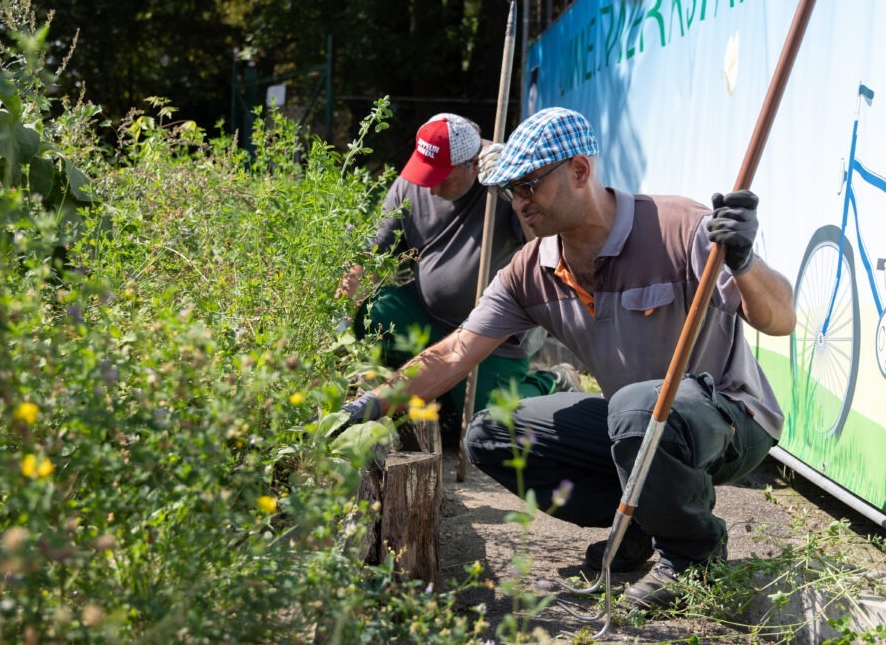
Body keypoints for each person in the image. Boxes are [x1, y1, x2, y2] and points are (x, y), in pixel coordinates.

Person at [336, 107, 796, 610]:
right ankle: (646, 519)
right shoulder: (531, 269)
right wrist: (371, 405)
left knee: (637, 408)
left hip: (729, 419)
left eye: (529, 186)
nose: (519, 204)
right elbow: (456, 351)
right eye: (511, 190)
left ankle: (692, 556)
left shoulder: (679, 227)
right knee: (492, 433)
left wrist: (745, 262)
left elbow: (780, 319)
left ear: (579, 171)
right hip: (635, 423)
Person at [337, 112, 579, 436]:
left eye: (443, 179)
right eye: (425, 175)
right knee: (374, 314)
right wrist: (340, 308)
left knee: (490, 416)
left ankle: (554, 380)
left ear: (474, 165)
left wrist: (516, 194)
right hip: (426, 313)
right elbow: (373, 253)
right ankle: (434, 397)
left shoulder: (503, 182)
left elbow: (545, 250)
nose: (432, 188)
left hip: (490, 335)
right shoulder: (416, 181)